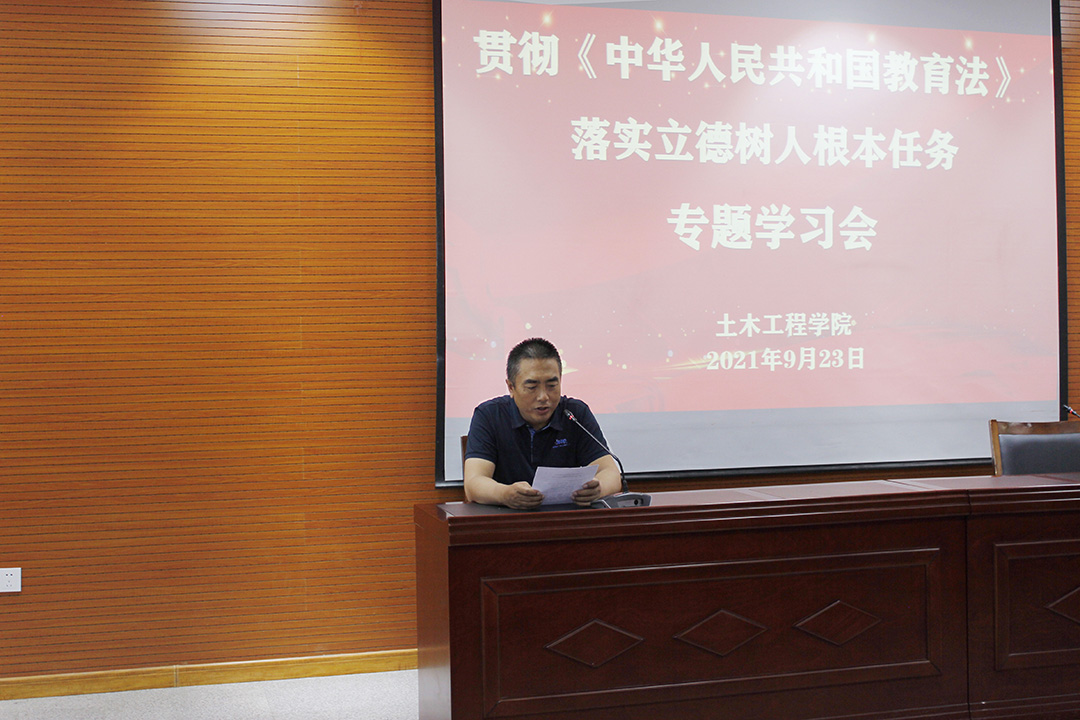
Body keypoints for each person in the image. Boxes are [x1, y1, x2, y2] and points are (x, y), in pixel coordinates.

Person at [463, 338, 622, 509]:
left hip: (565, 519)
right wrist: (505, 494)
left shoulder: (574, 414)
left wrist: (598, 489)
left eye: (552, 385)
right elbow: (474, 482)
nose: (543, 397)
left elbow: (611, 473)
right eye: (532, 387)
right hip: (506, 519)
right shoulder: (489, 415)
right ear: (511, 387)